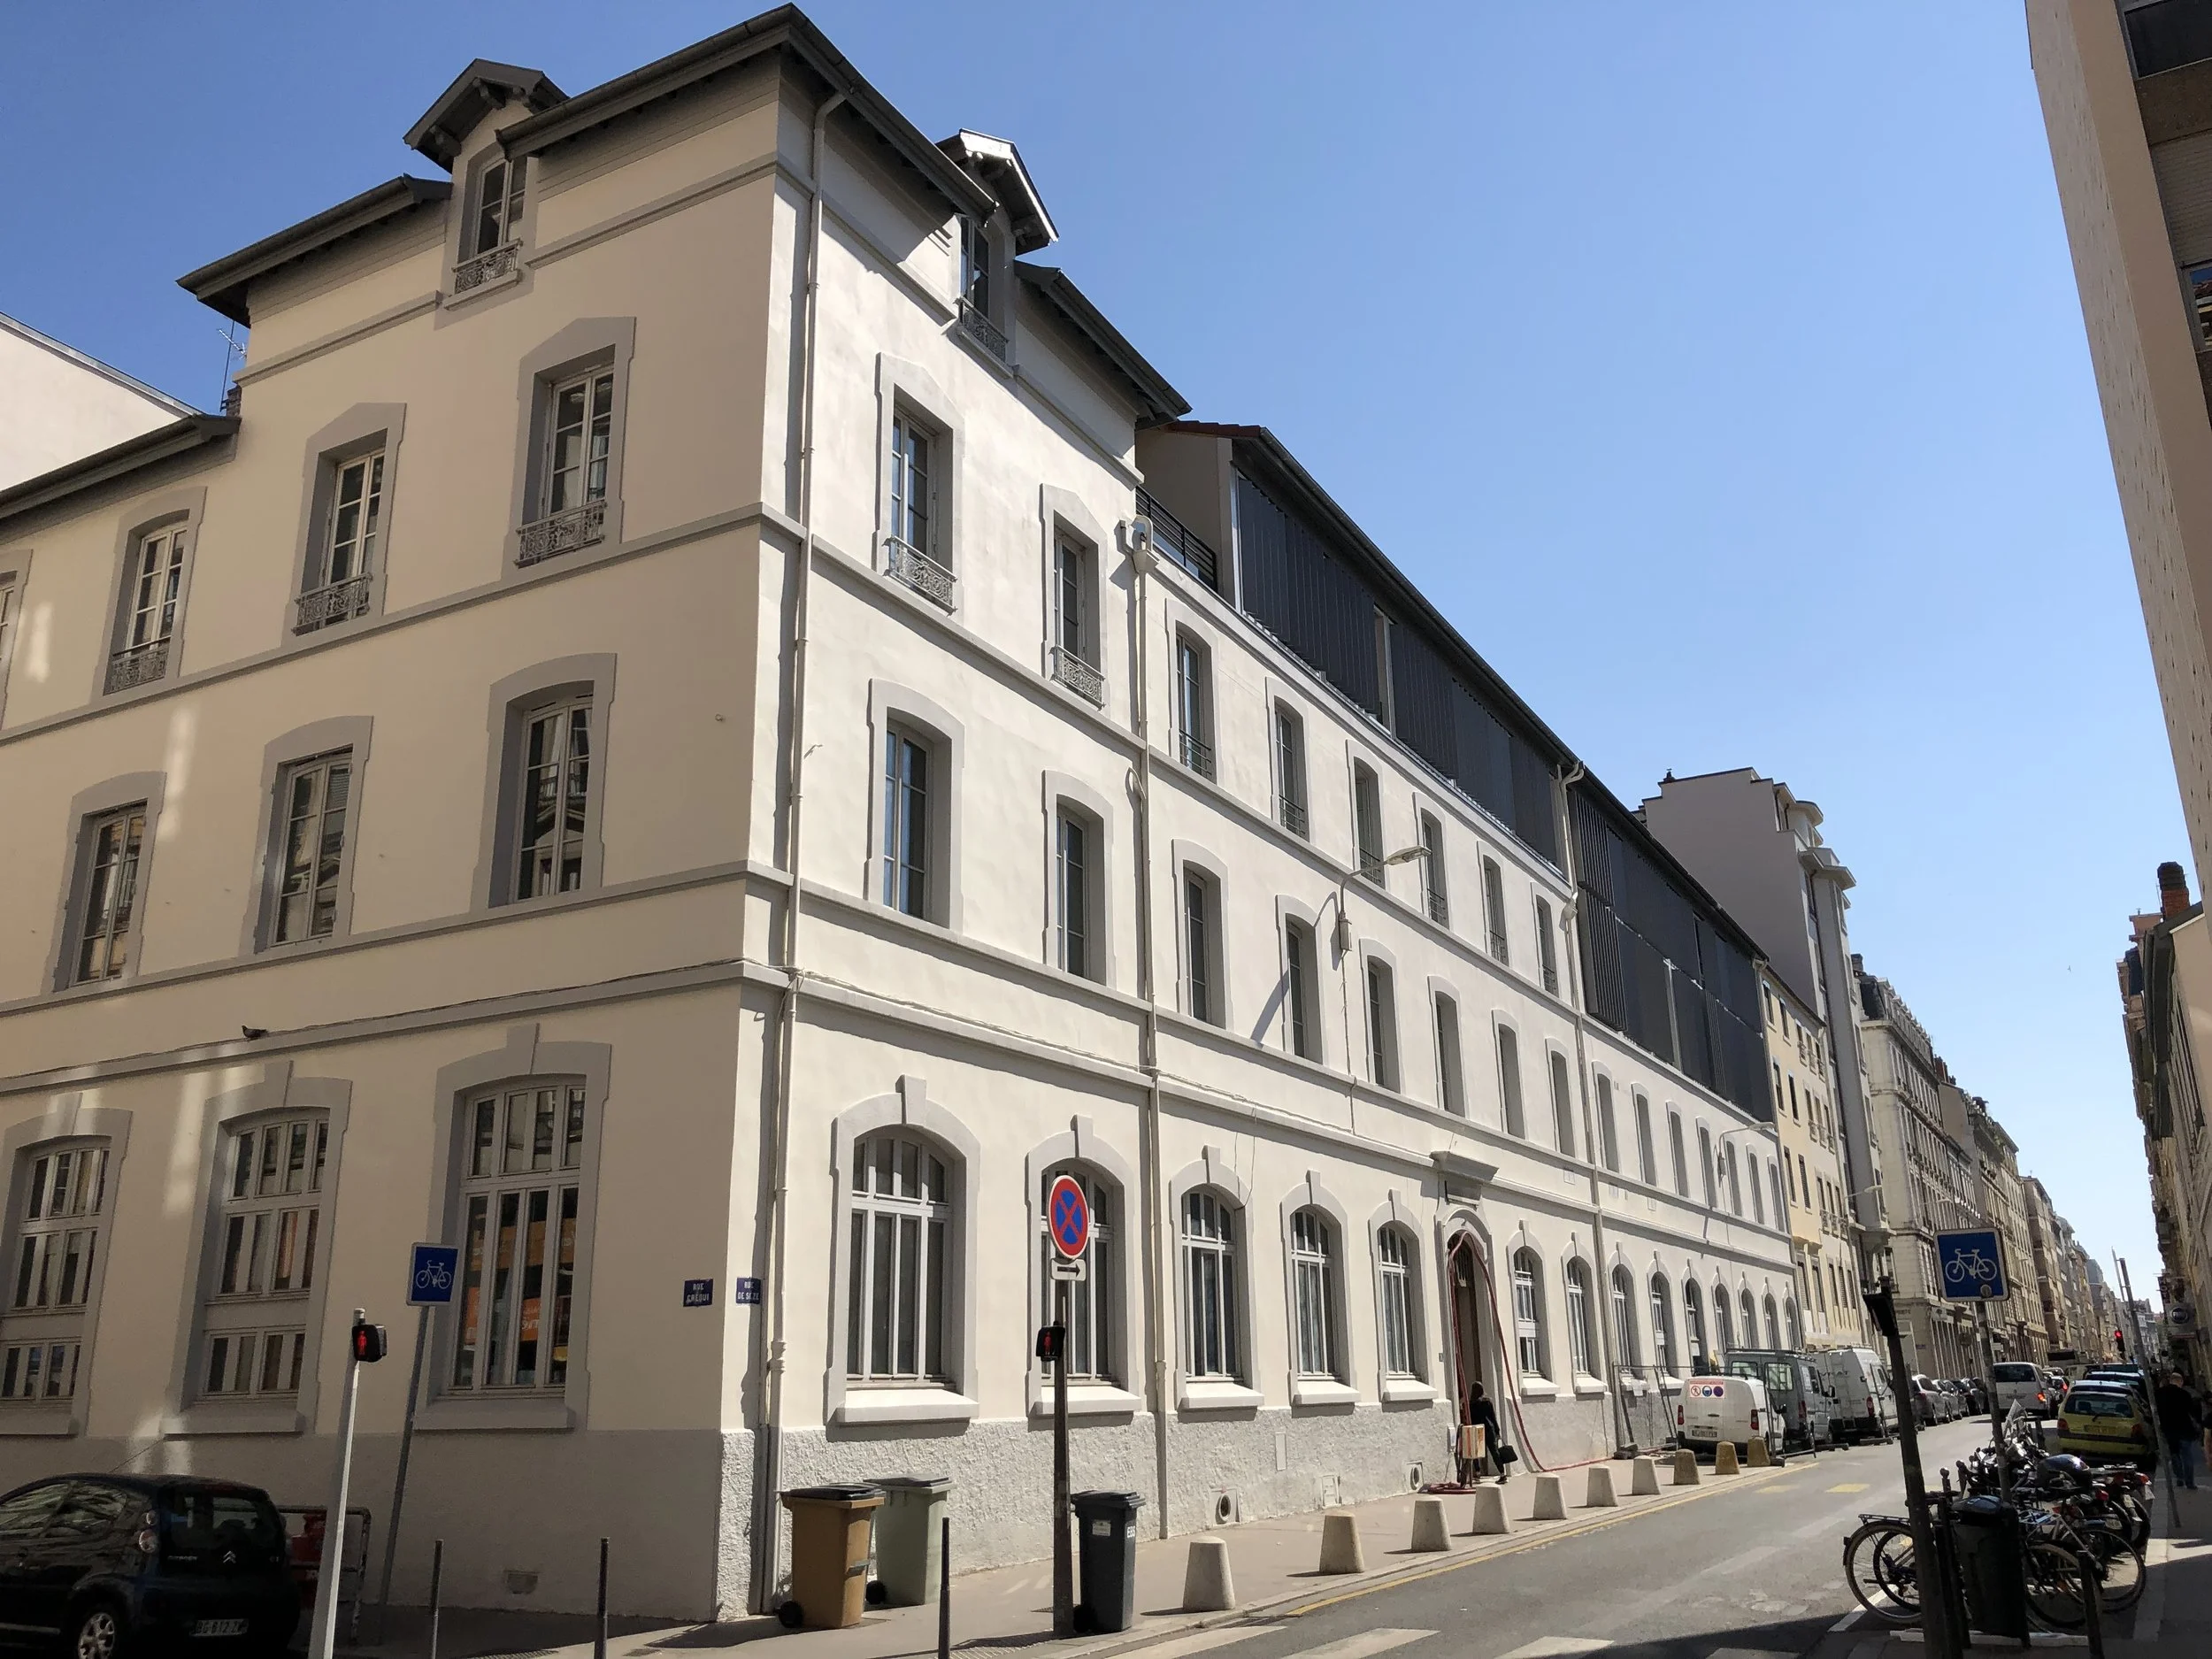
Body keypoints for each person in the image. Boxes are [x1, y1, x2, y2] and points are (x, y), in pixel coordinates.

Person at [2155, 1371, 2202, 1489]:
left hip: (2169, 1430)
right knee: (2187, 1455)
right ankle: (2190, 1482)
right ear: (2180, 1382)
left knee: (2174, 1455)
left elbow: (2156, 1411)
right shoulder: (2184, 1394)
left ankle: (2179, 1478)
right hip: (2185, 1429)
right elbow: (2191, 1411)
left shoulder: (2159, 1394)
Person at [1465, 1380, 1509, 1485]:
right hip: (1489, 1428)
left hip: (1477, 1429)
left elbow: (1469, 1417)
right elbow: (1493, 1417)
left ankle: (1478, 1472)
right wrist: (1497, 1430)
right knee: (1494, 1452)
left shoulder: (1471, 1403)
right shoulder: (1488, 1401)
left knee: (1475, 1452)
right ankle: (1502, 1474)